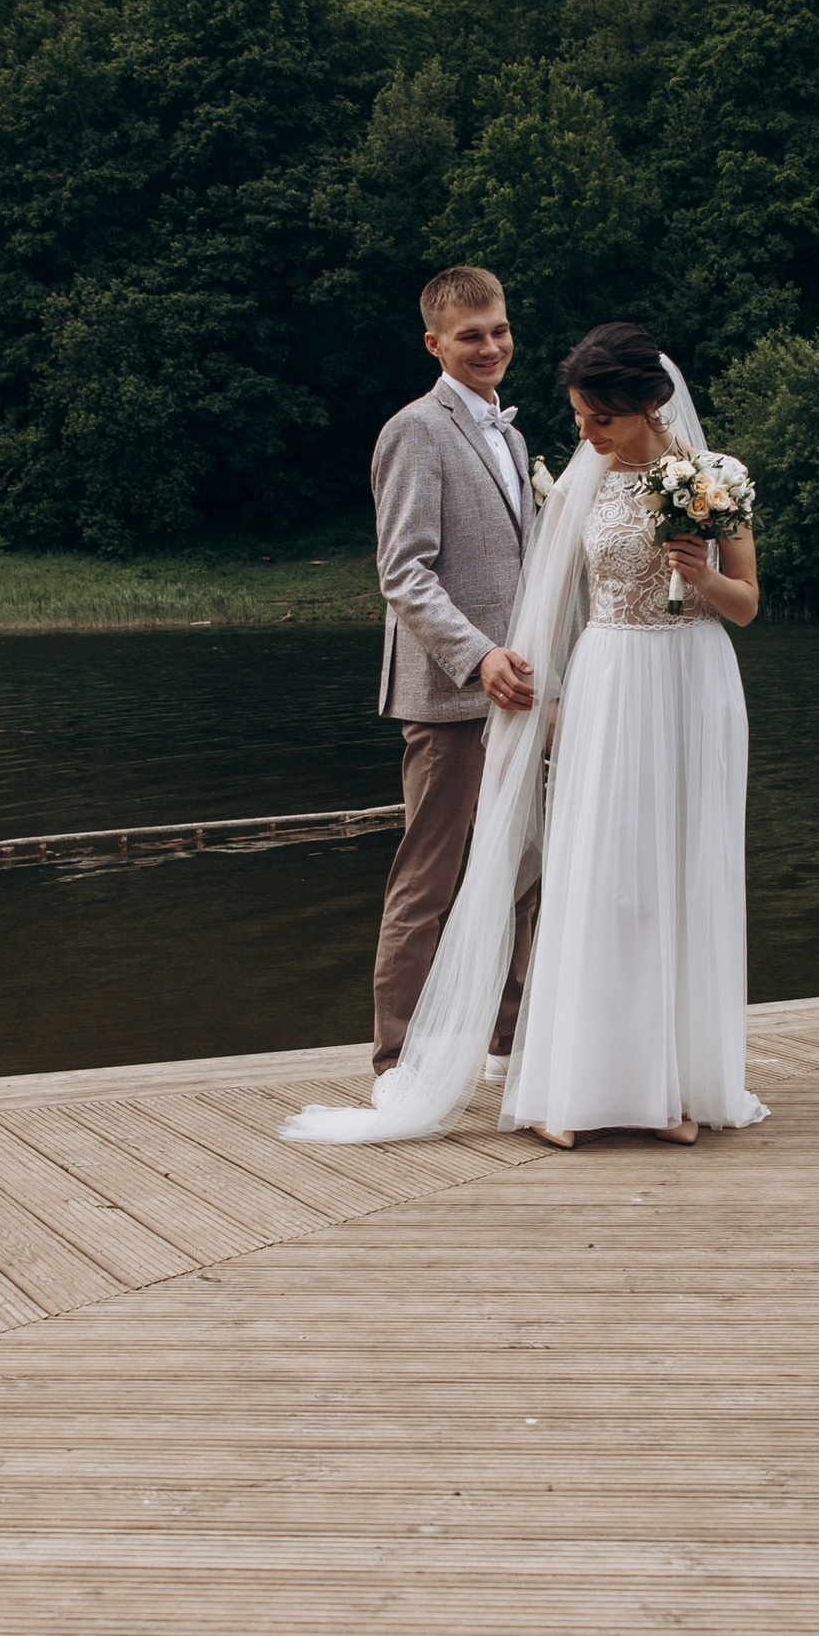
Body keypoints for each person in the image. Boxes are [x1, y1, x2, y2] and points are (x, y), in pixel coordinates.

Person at [291, 318, 765, 1150]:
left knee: (679, 871)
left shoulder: (716, 477)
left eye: (600, 419)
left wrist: (702, 575)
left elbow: (748, 604)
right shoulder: (581, 480)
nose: (584, 434)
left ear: (649, 403)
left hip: (693, 684)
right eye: (580, 418)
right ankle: (569, 1086)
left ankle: (671, 1083)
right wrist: (514, 679)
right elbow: (541, 596)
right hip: (612, 682)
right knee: (597, 876)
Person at [367, 264, 540, 1097]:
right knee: (428, 879)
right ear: (434, 343)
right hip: (450, 695)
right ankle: (396, 1061)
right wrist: (478, 655)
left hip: (524, 693)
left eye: (499, 329)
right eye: (470, 336)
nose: (490, 346)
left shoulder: (511, 436)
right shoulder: (415, 430)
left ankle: (508, 1043)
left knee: (526, 873)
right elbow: (404, 574)